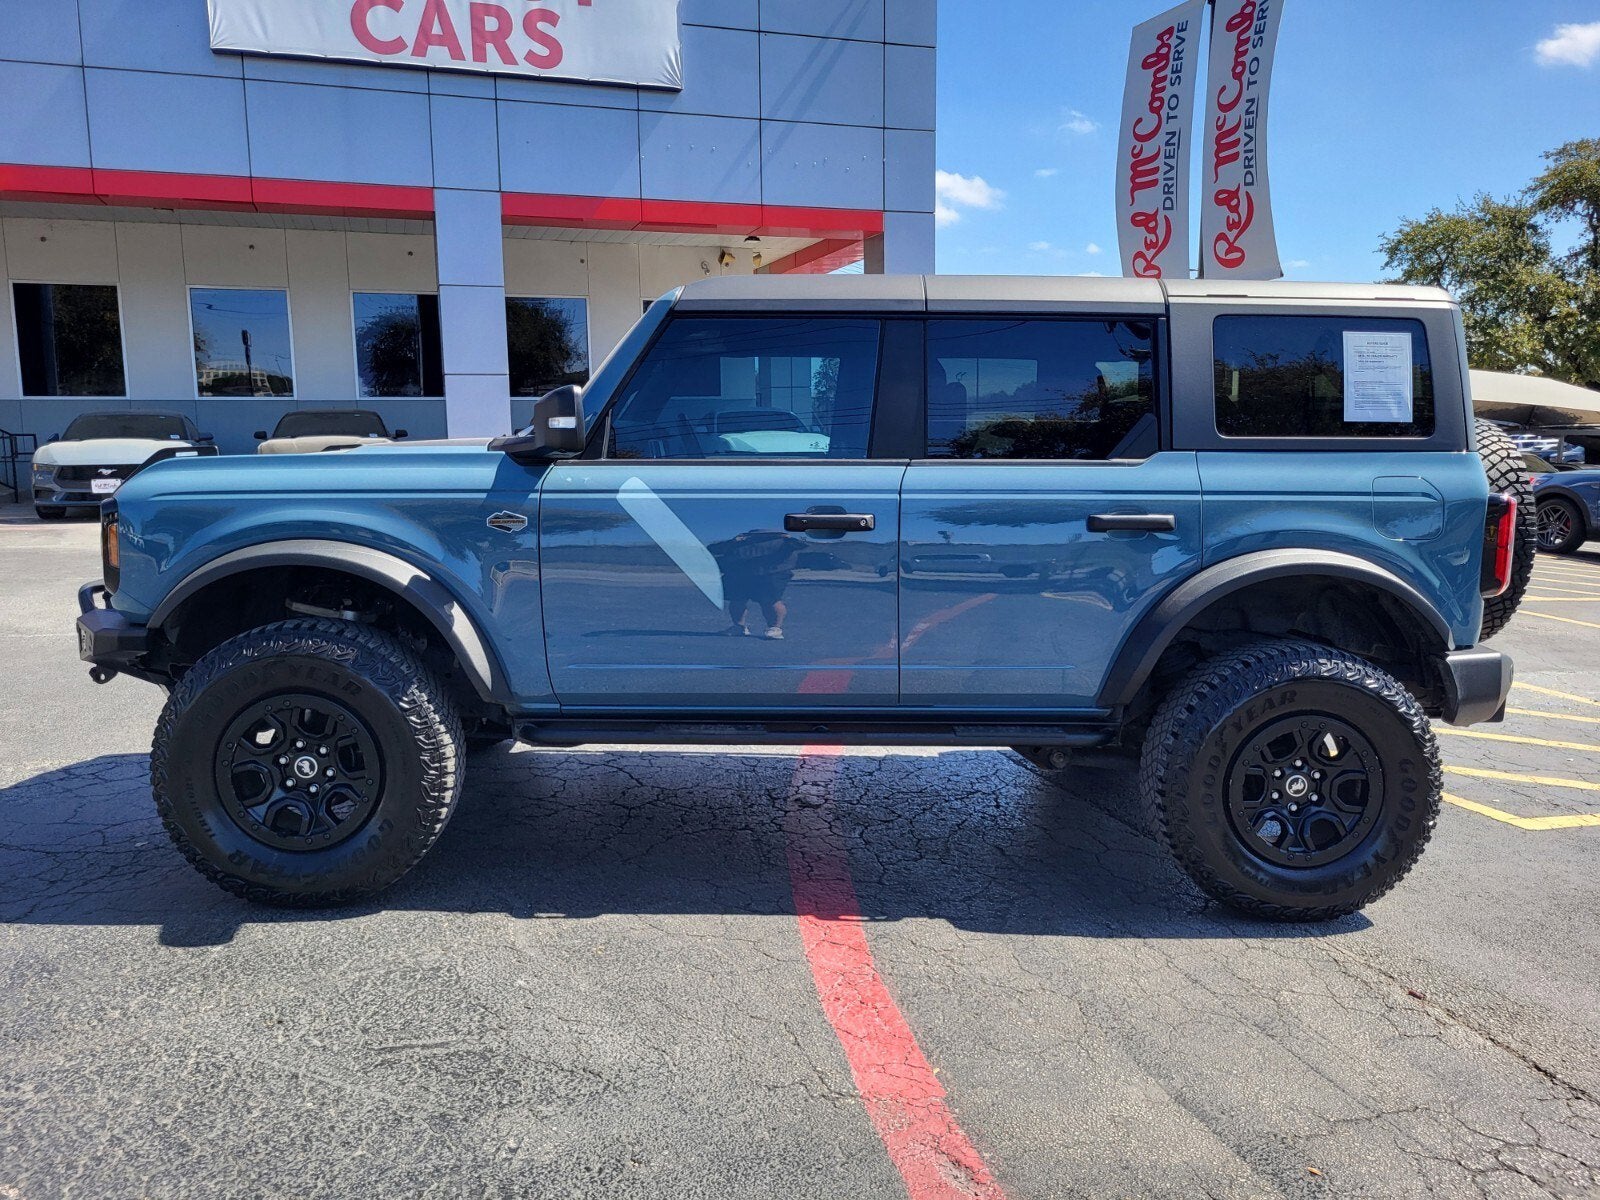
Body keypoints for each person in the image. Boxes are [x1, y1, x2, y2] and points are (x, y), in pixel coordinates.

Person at [709, 530, 802, 639]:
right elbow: (714, 549)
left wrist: (786, 538)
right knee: (737, 599)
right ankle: (739, 626)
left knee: (771, 600)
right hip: (741, 572)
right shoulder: (740, 541)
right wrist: (734, 542)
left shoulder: (785, 541)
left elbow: (800, 545)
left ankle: (775, 628)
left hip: (771, 573)